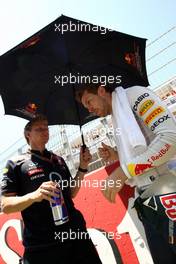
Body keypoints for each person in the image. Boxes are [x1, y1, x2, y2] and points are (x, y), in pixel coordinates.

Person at [76, 83, 176, 264]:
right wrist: (117, 157)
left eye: (89, 101)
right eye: (85, 106)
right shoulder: (117, 115)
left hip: (168, 192)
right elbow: (142, 153)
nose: (89, 109)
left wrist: (124, 171)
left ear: (101, 90)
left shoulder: (134, 95)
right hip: (147, 203)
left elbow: (171, 138)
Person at [1, 115, 102, 264]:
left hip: (76, 236)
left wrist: (83, 167)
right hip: (42, 245)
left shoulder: (58, 159)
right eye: (39, 128)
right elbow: (5, 205)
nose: (45, 131)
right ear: (28, 134)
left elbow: (71, 193)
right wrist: (34, 196)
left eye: (46, 127)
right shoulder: (15, 164)